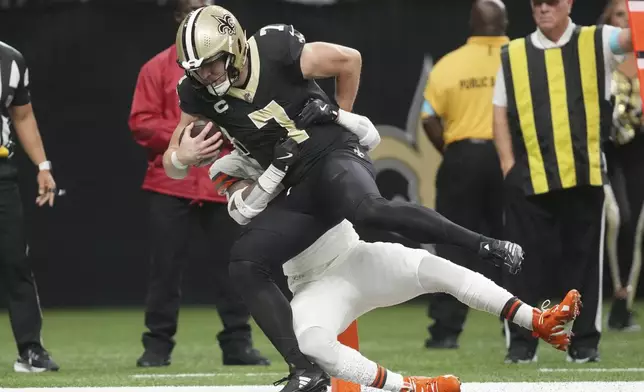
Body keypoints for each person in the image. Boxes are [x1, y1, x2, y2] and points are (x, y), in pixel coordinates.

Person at [164, 6, 523, 391]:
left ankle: (484, 245)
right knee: (245, 262)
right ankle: (305, 371)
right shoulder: (197, 93)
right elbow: (173, 163)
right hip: (296, 184)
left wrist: (338, 115)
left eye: (211, 66)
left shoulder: (274, 49)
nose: (204, 76)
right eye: (196, 69)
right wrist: (181, 157)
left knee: (368, 210)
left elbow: (349, 60)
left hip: (333, 155)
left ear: (234, 49)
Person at [204, 138, 581, 392]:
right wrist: (273, 172)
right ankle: (412, 387)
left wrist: (329, 128)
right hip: (313, 280)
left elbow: (365, 134)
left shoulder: (299, 129)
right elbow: (242, 209)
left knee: (436, 268)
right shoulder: (232, 161)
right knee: (309, 344)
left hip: (355, 254)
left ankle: (537, 321)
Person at [128, 0, 268, 367]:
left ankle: (237, 344)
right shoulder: (156, 68)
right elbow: (140, 122)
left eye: (208, 5)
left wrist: (216, 136)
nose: (201, 11)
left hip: (220, 181)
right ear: (178, 16)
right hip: (168, 183)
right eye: (192, 6)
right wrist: (190, 137)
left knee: (234, 265)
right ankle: (157, 347)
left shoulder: (233, 66)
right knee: (165, 269)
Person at [492, 0, 633, 363]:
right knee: (524, 267)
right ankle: (521, 346)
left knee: (584, 265)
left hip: (584, 173)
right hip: (530, 175)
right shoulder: (514, 53)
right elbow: (499, 112)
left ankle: (584, 344)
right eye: (536, 2)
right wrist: (508, 165)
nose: (542, 8)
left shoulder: (598, 41)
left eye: (551, 1)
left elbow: (634, 38)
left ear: (569, 3)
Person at [421, 0, 508, 349]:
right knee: (513, 243)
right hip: (509, 160)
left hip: (462, 158)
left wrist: (454, 153)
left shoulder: (450, 64)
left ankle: (445, 332)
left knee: (454, 246)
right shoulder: (521, 57)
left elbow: (428, 117)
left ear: (471, 23)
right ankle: (520, 332)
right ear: (506, 22)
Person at [0, 40, 59, 372]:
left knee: (15, 261)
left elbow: (22, 115)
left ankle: (30, 349)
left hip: (1, 174)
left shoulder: (11, 60)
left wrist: (43, 167)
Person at [599, 0, 642, 332]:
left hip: (637, 150)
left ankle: (622, 308)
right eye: (619, 15)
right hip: (608, 152)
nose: (627, 21)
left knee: (637, 228)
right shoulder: (603, 57)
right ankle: (613, 294)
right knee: (617, 218)